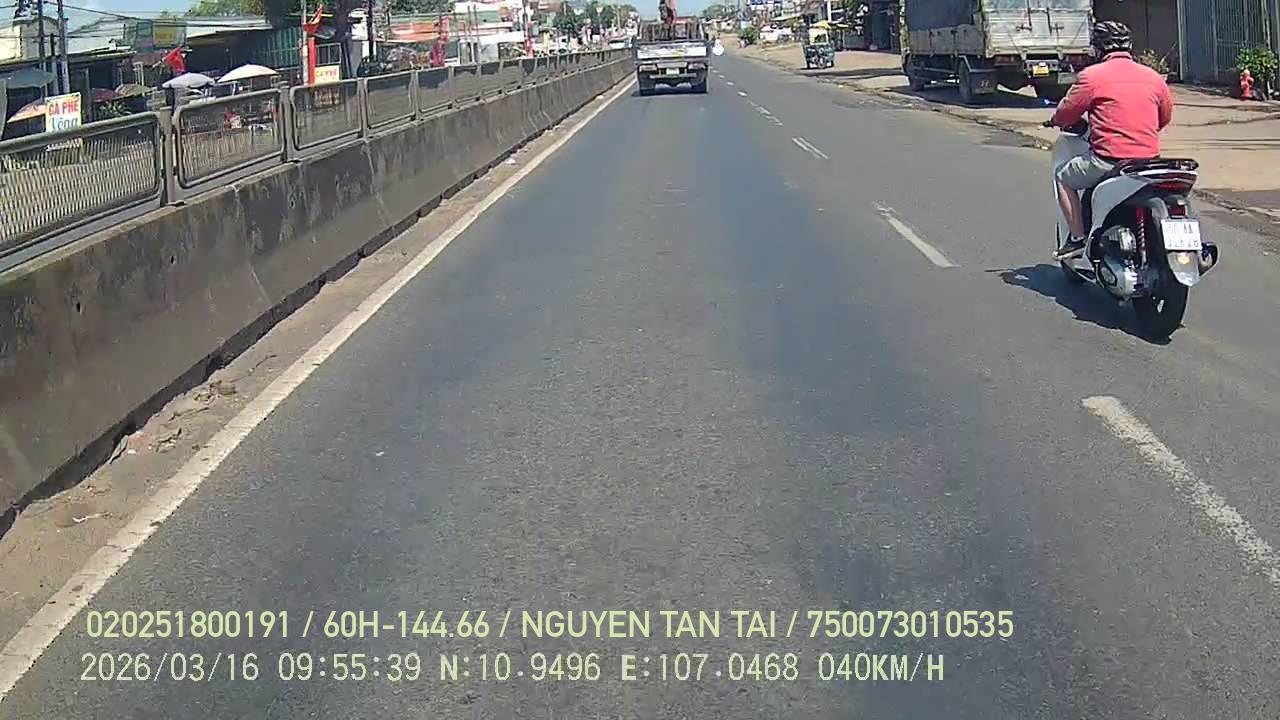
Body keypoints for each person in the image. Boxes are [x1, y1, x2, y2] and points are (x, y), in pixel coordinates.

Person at [1050, 21, 1174, 260]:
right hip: (1149, 161)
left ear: (1098, 49)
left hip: (1108, 160)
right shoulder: (1153, 77)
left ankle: (1076, 239)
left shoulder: (1092, 76)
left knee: (1063, 178)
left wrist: (1056, 120)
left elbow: (1066, 114)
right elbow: (1164, 117)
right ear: (1129, 46)